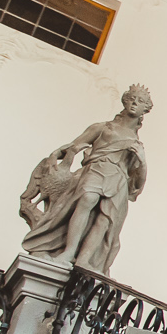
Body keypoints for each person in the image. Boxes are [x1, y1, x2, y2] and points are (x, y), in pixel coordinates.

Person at [19, 85, 152, 274]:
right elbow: (73, 146)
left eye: (140, 102)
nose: (134, 103)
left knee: (105, 220)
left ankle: (84, 259)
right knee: (87, 199)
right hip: (96, 169)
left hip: (118, 179)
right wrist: (55, 157)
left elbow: (138, 181)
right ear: (125, 100)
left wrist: (142, 160)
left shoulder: (137, 143)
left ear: (145, 110)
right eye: (132, 99)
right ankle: (68, 251)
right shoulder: (103, 127)